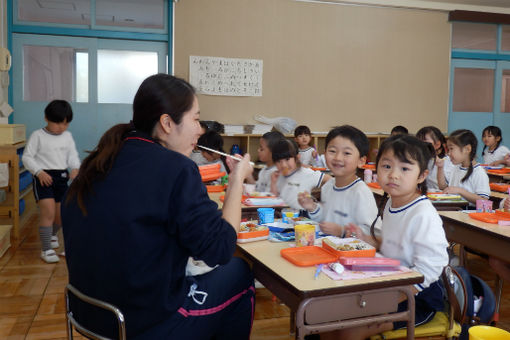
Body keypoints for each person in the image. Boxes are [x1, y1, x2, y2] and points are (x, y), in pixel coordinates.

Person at [61, 74, 255, 339]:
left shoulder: (98, 160)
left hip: (88, 313)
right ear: (166, 123)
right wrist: (236, 182)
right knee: (239, 273)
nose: (200, 130)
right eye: (196, 119)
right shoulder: (178, 169)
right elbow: (220, 248)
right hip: (144, 324)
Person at [327, 134, 448, 340]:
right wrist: (367, 239)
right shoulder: (392, 203)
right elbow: (393, 246)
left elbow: (432, 267)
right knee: (328, 321)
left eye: (405, 169)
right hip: (391, 282)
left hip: (419, 298)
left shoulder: (423, 214)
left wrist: (393, 298)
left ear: (421, 176)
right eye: (386, 166)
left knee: (347, 331)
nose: (393, 175)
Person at [22, 99, 80, 263]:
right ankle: (46, 249)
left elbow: (72, 156)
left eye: (66, 124)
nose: (62, 127)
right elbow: (27, 157)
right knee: (48, 213)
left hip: (61, 177)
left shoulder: (67, 137)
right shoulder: (37, 136)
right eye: (58, 123)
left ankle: (53, 234)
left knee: (60, 216)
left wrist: (75, 168)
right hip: (43, 178)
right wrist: (39, 172)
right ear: (46, 118)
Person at [297, 125, 378, 236]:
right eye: (333, 151)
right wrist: (312, 207)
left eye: (347, 153)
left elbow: (373, 233)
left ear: (361, 161)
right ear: (324, 154)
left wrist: (343, 231)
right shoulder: (328, 186)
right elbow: (326, 219)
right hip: (328, 247)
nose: (338, 158)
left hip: (351, 251)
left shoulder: (360, 192)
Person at [270, 138, 330, 210]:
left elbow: (330, 180)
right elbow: (273, 198)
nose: (283, 165)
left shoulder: (306, 172)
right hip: (281, 214)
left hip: (301, 217)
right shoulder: (277, 175)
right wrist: (273, 182)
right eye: (278, 161)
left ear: (297, 157)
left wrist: (322, 198)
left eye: (287, 159)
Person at [437, 129, 490, 206]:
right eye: (448, 150)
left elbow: (484, 201)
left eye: (451, 149)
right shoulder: (456, 168)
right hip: (454, 210)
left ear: (467, 149)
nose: (448, 153)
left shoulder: (478, 172)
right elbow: (443, 187)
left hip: (467, 214)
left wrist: (461, 191)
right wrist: (440, 168)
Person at [416, 126, 454, 192]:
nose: (421, 145)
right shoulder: (419, 161)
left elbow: (446, 187)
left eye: (425, 142)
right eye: (418, 142)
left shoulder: (448, 162)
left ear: (437, 144)